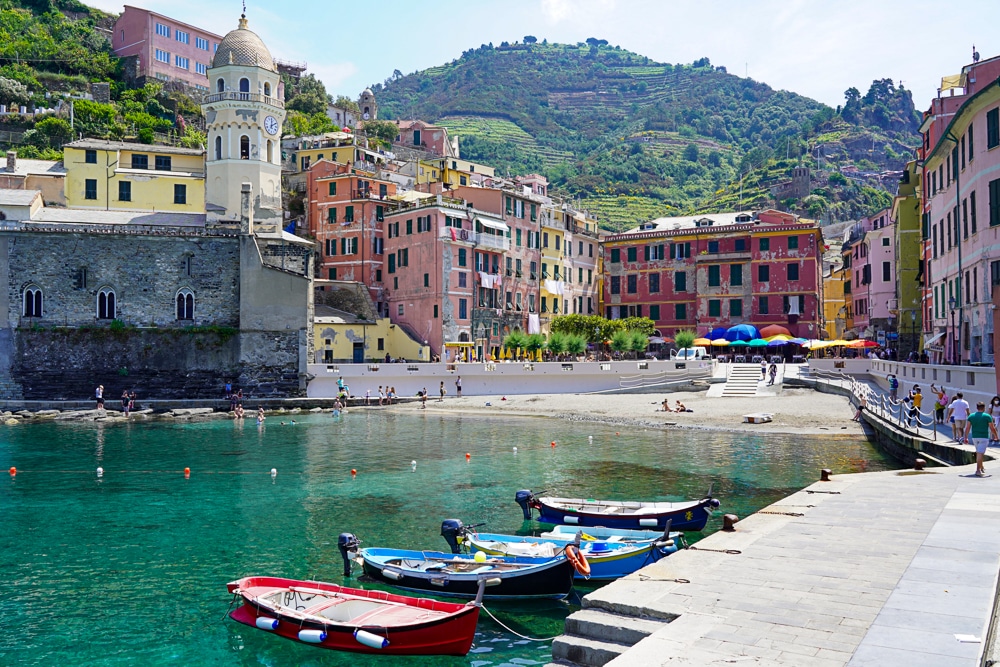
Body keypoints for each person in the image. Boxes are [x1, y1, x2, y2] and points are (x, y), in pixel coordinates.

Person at [966, 402, 997, 477]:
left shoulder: (971, 416)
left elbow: (968, 427)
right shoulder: (987, 416)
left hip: (975, 437)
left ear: (977, 407)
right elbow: (992, 428)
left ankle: (981, 466)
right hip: (984, 436)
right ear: (984, 408)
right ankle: (978, 470)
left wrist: (965, 437)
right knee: (980, 453)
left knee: (979, 452)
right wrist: (996, 436)